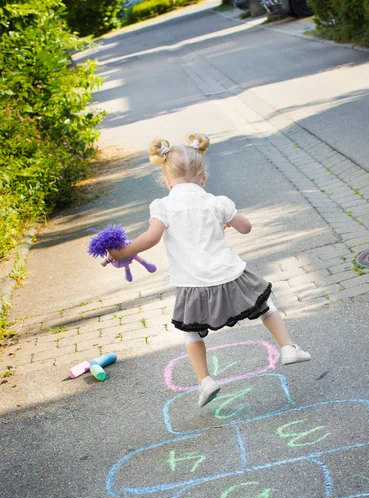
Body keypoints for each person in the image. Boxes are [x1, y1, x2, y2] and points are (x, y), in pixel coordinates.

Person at [108, 134, 311, 408]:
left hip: (192, 285)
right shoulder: (217, 202)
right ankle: (287, 347)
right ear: (203, 178)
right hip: (230, 275)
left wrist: (124, 252)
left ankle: (205, 381)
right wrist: (228, 220)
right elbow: (246, 227)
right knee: (265, 305)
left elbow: (152, 237)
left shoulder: (163, 206)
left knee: (191, 333)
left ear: (167, 181)